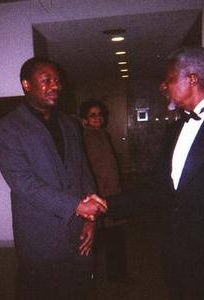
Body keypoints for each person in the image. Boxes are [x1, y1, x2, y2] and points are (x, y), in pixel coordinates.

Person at [89, 46, 204, 299]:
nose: (163, 87)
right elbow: (160, 189)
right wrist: (105, 205)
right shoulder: (175, 129)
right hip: (180, 257)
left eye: (168, 79)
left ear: (192, 79)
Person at [0, 57, 107, 299]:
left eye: (57, 80)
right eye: (46, 80)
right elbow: (22, 182)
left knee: (82, 290)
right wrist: (76, 205)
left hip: (79, 231)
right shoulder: (7, 128)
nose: (56, 86)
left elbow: (84, 171)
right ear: (26, 84)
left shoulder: (70, 123)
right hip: (40, 235)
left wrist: (91, 219)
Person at [79, 99, 129, 282]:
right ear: (84, 119)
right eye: (93, 115)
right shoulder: (86, 138)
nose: (98, 118)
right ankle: (107, 277)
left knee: (115, 237)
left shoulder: (102, 135)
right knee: (105, 238)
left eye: (100, 114)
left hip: (112, 194)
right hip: (101, 197)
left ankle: (117, 276)